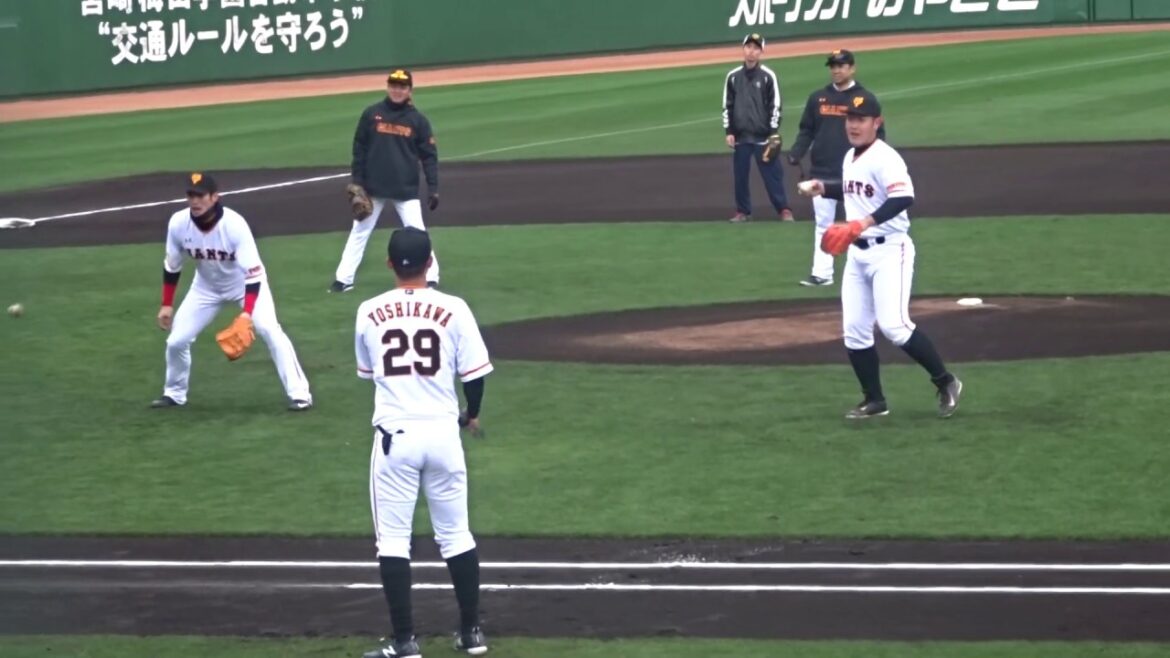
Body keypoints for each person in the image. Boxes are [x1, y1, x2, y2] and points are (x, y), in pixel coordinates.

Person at [356, 227, 492, 657]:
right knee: (456, 536)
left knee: (394, 542)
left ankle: (405, 642)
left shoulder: (368, 311)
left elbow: (368, 372)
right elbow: (475, 375)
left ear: (389, 264)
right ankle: (471, 634)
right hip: (443, 436)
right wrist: (471, 414)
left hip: (396, 438)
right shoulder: (455, 308)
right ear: (430, 262)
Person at [797, 91, 962, 420]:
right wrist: (822, 187)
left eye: (861, 120)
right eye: (850, 119)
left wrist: (863, 222)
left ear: (877, 123)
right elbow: (853, 187)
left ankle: (946, 382)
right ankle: (874, 400)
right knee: (855, 331)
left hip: (890, 251)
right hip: (858, 256)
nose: (853, 125)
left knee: (894, 326)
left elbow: (904, 197)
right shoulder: (850, 156)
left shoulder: (887, 158)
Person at [152, 173, 312, 411]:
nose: (195, 201)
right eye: (191, 195)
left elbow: (253, 274)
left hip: (244, 285)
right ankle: (174, 394)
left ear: (214, 197)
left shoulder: (234, 225)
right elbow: (172, 266)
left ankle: (300, 395)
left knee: (269, 329)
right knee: (176, 341)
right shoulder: (178, 223)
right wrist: (166, 304)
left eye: (200, 196)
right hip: (205, 287)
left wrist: (247, 313)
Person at [330, 68, 441, 293]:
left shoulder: (417, 121)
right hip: (373, 187)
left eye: (402, 87)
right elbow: (359, 149)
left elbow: (429, 156)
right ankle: (344, 279)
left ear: (409, 90)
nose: (397, 91)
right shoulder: (372, 114)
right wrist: (358, 181)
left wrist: (433, 188)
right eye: (393, 86)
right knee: (360, 231)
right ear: (388, 87)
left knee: (418, 233)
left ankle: (431, 277)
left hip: (405, 188)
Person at [788, 49, 885, 287]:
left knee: (861, 224)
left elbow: (878, 134)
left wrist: (876, 164)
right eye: (833, 66)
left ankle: (870, 271)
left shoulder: (864, 98)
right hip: (822, 171)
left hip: (855, 172)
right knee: (823, 224)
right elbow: (807, 130)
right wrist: (796, 152)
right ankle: (822, 274)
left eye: (841, 66)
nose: (836, 70)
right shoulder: (818, 98)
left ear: (852, 68)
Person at [722, 33, 793, 223]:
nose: (751, 52)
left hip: (763, 137)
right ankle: (743, 211)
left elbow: (775, 105)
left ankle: (784, 209)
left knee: (772, 175)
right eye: (748, 47)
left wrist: (773, 133)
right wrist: (729, 131)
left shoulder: (768, 76)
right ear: (743, 49)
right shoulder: (733, 77)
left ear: (761, 52)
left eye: (755, 48)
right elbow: (727, 105)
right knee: (740, 177)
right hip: (741, 137)